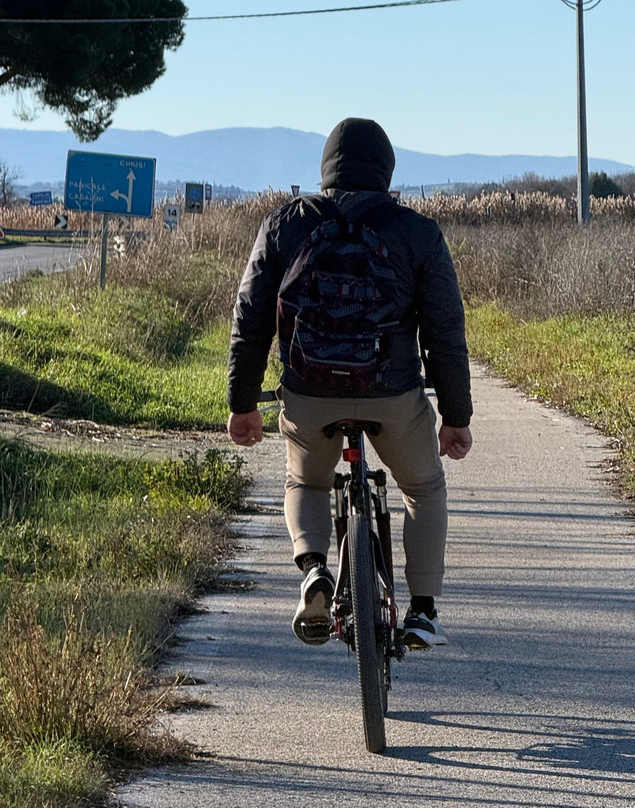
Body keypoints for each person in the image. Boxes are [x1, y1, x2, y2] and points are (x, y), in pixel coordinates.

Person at [226, 118, 473, 650]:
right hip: (393, 394)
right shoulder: (417, 232)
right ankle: (424, 610)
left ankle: (314, 570)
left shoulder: (284, 225)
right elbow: (445, 334)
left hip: (309, 394)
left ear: (326, 168)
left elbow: (250, 318)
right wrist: (456, 417)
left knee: (307, 481)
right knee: (423, 488)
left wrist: (242, 403)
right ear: (386, 169)